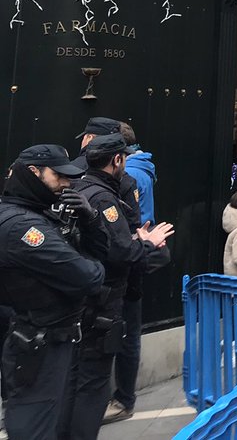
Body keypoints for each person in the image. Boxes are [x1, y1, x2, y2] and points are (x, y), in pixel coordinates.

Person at [61, 133, 173, 440]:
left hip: (82, 299)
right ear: (118, 160)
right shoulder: (104, 198)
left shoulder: (81, 187)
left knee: (75, 377)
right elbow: (121, 251)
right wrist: (147, 243)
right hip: (102, 301)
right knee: (92, 385)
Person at [0, 145, 107, 440]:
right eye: (58, 176)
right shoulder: (24, 227)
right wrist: (93, 265)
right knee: (34, 426)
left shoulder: (35, 215)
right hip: (38, 342)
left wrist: (91, 221)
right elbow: (89, 277)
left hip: (51, 337)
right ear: (34, 173)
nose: (66, 184)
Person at [103, 120, 157, 425]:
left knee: (127, 330)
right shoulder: (140, 169)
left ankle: (123, 397)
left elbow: (135, 222)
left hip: (127, 260)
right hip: (132, 255)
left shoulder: (131, 173)